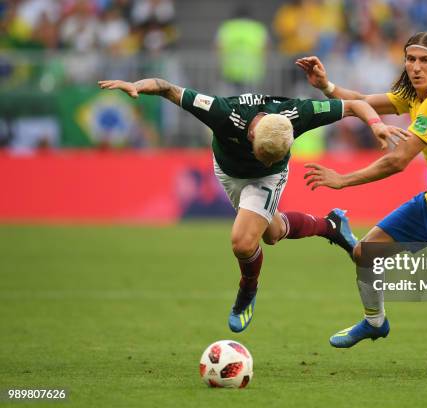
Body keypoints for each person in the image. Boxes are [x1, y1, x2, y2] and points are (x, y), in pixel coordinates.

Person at [98, 77, 408, 333]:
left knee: (242, 242)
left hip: (267, 180)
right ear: (251, 135)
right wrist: (138, 86)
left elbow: (355, 105)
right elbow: (168, 88)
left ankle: (248, 289)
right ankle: (331, 225)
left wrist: (376, 124)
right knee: (271, 234)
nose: (267, 158)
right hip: (227, 172)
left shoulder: (297, 114)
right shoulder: (222, 113)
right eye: (263, 153)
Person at [296, 31, 427, 371]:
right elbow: (362, 100)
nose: (415, 67)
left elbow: (397, 160)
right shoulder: (416, 95)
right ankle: (375, 321)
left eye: (425, 61)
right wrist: (327, 87)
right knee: (365, 253)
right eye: (410, 59)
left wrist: (342, 180)